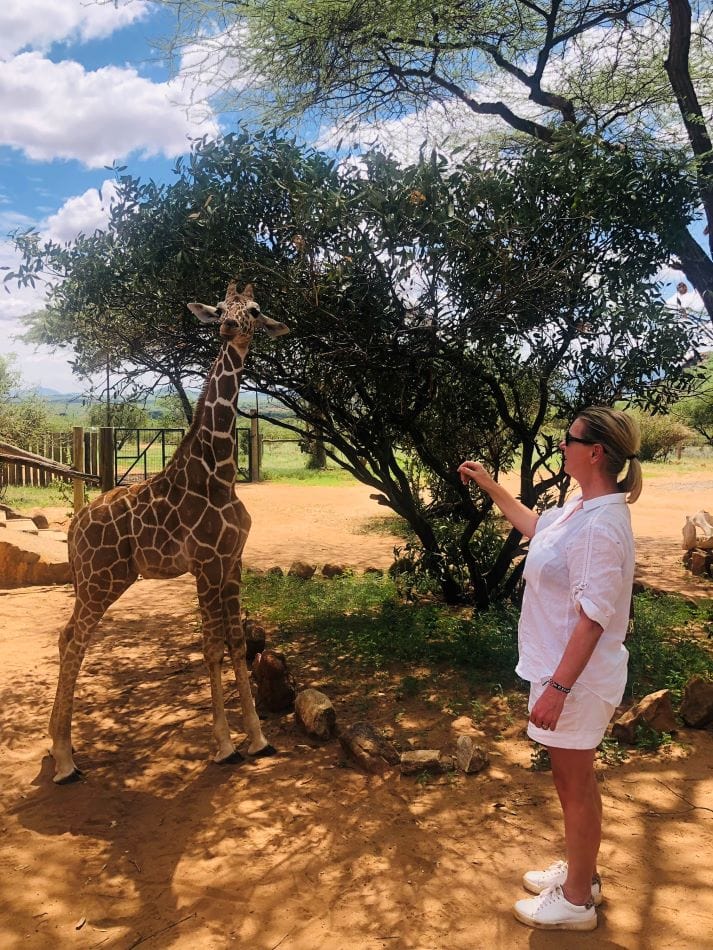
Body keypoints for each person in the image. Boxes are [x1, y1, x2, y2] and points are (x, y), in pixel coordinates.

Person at [458, 407, 641, 932]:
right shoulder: (581, 508)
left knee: (572, 784)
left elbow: (594, 619)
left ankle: (578, 901)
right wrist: (492, 487)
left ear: (595, 451)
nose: (561, 446)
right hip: (563, 672)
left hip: (577, 680)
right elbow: (537, 527)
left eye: (568, 439)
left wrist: (559, 687)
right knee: (574, 781)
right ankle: (585, 873)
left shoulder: (602, 525)